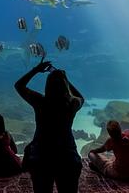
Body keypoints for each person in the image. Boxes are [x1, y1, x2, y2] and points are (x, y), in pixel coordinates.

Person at [15, 61, 84, 193]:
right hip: (67, 157)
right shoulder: (72, 104)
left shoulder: (40, 102)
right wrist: (66, 79)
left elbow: (19, 85)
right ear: (65, 86)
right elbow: (81, 97)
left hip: (42, 157)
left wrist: (36, 70)